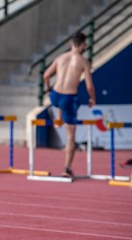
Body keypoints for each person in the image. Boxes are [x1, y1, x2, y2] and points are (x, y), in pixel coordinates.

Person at [43, 31, 96, 178]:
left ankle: (58, 118)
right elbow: (89, 87)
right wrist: (93, 99)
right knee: (70, 136)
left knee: (61, 105)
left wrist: (49, 90)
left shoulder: (60, 58)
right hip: (68, 97)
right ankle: (67, 168)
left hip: (55, 95)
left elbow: (46, 75)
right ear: (82, 45)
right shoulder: (83, 61)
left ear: (71, 44)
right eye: (85, 45)